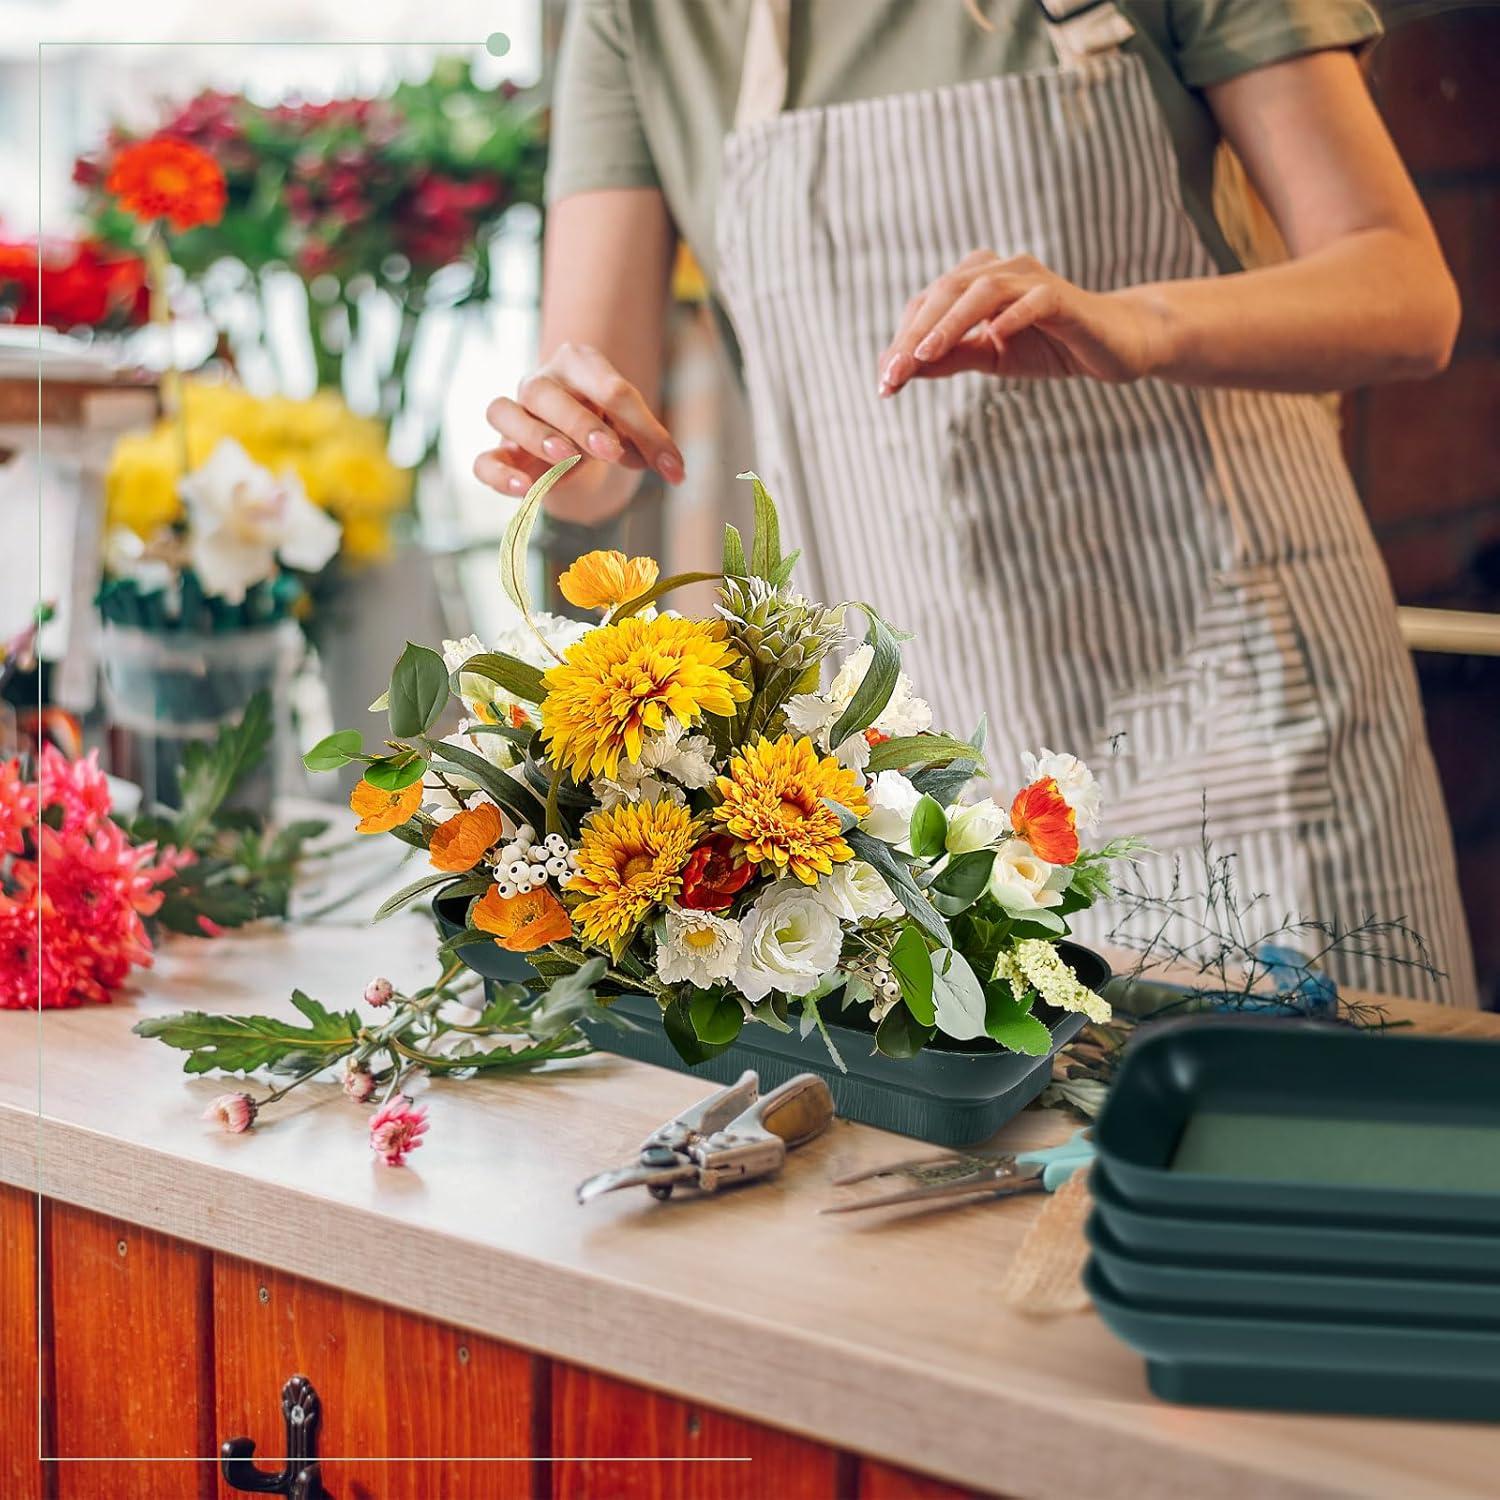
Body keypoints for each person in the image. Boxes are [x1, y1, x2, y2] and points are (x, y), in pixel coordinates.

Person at [475, 0, 1478, 1005]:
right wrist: (562, 430)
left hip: (1242, 711)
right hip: (924, 759)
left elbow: (1405, 293)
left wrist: (1136, 321)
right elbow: (605, 453)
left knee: (1327, 1123)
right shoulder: (644, 20)